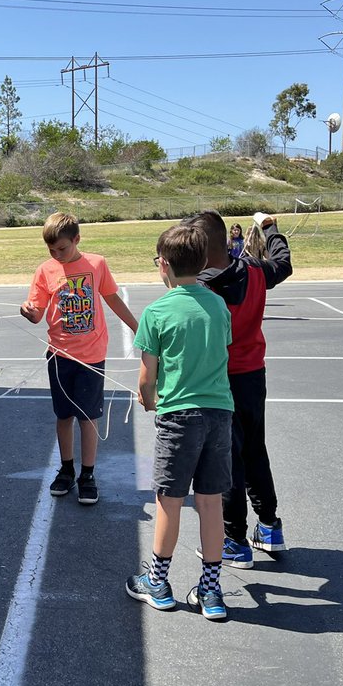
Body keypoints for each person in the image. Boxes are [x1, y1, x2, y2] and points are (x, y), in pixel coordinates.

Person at [125, 224, 235, 621]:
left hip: (180, 417)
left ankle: (157, 581)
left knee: (169, 501)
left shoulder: (156, 312)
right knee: (210, 503)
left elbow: (147, 375)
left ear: (164, 265)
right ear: (204, 263)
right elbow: (220, 351)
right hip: (219, 413)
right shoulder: (218, 306)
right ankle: (210, 590)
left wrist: (149, 399)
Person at [187, 209, 292, 569]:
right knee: (254, 449)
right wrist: (270, 227)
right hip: (252, 375)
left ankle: (234, 539)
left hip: (217, 381)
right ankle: (269, 526)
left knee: (225, 458)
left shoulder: (199, 288)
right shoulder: (255, 271)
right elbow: (283, 262)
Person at [20, 212, 138, 505]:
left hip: (91, 356)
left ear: (77, 239)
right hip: (60, 355)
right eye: (51, 250)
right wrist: (30, 312)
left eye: (62, 248)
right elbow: (37, 311)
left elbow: (112, 298)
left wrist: (138, 327)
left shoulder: (96, 264)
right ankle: (67, 469)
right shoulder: (46, 270)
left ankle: (87, 474)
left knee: (88, 417)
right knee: (64, 416)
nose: (56, 254)